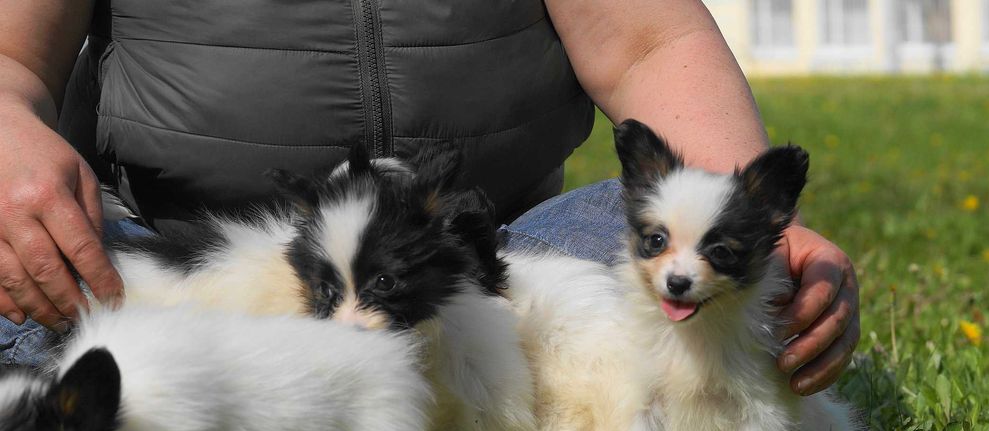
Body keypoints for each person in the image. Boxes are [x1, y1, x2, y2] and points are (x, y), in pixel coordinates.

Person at [0, 0, 858, 396]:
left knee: (637, 243)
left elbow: (648, 42)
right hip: (190, 270)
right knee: (30, 280)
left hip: (491, 269)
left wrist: (743, 236)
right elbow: (10, 58)